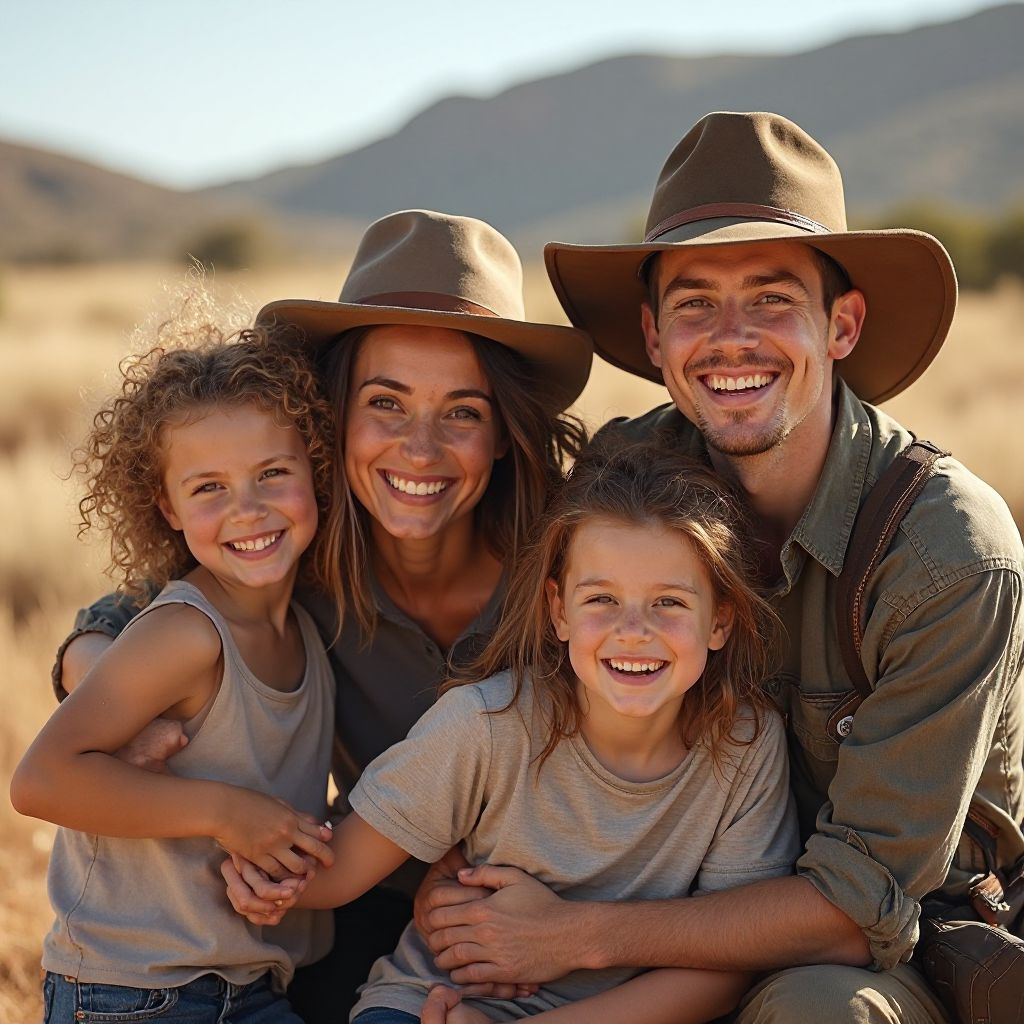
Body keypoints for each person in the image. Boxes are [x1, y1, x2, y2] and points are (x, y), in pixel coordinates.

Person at [414, 112, 1024, 1022]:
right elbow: (508, 692)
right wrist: (449, 883)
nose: (730, 338)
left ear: (842, 324)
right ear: (655, 337)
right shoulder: (622, 478)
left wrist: (576, 936)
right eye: (695, 304)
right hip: (643, 896)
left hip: (878, 945)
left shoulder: (945, 553)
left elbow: (858, 907)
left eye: (772, 299)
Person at [49, 209, 593, 1021]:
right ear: (332, 415)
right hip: (365, 894)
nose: (419, 449)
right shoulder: (292, 554)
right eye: (386, 403)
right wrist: (99, 674)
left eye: (462, 412)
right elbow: (138, 605)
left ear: (505, 433)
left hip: (568, 901)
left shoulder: (572, 567)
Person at [229, 438, 800, 1024]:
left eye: (669, 603)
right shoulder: (487, 724)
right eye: (602, 598)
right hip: (439, 1002)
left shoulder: (744, 746)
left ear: (720, 620)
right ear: (559, 610)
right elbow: (339, 869)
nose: (633, 630)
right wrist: (255, 869)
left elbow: (725, 969)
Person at [11, 324, 339, 1022]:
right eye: (209, 487)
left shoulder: (308, 632)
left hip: (250, 985)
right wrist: (226, 813)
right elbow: (41, 780)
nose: (247, 508)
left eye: (272, 474)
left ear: (316, 471)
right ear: (168, 508)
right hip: (135, 991)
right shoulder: (188, 634)